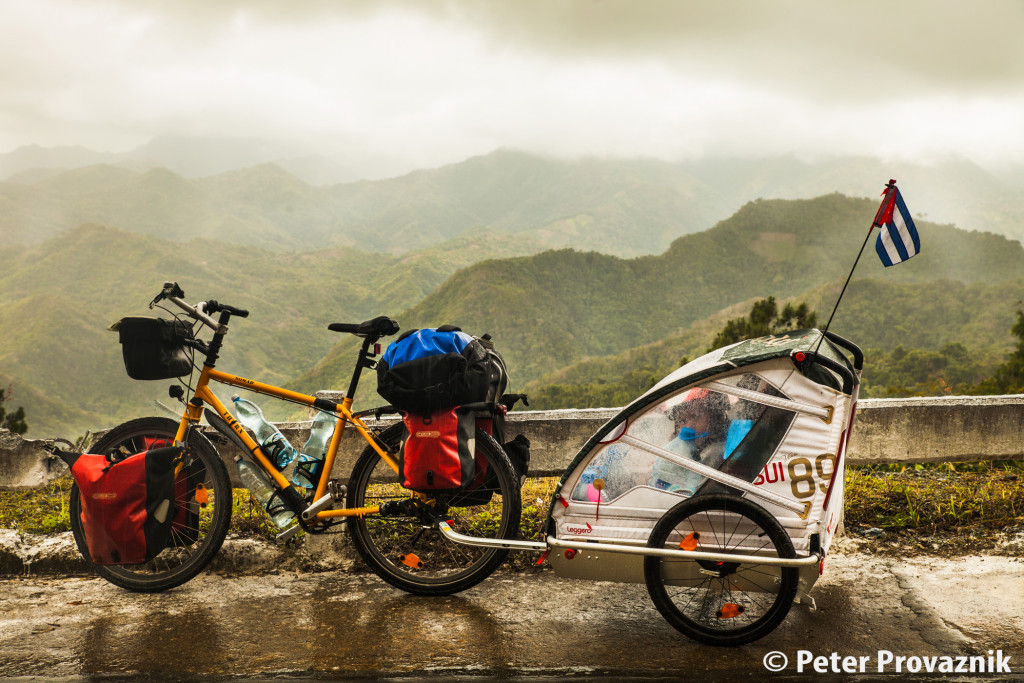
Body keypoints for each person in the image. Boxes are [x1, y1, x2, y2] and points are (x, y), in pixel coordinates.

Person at [649, 387, 731, 495]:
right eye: (683, 420)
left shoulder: (717, 453)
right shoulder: (680, 450)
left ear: (714, 419)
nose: (688, 426)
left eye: (696, 417)